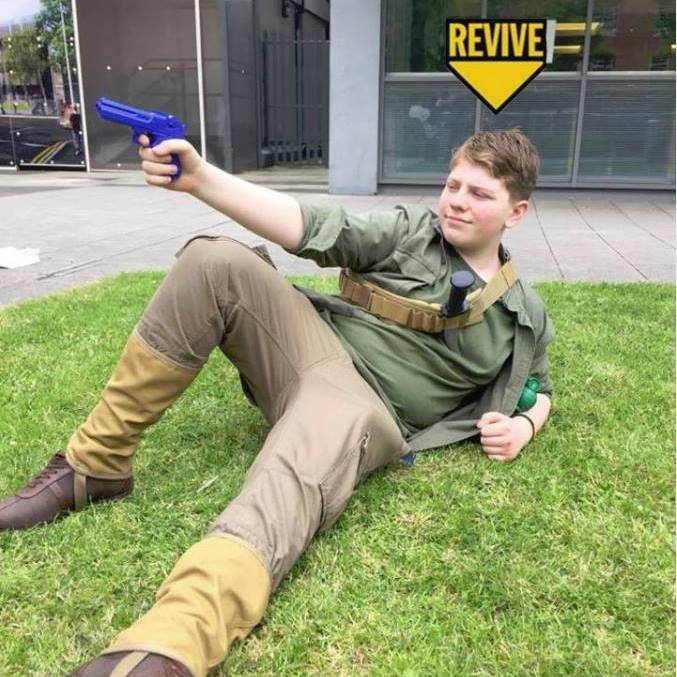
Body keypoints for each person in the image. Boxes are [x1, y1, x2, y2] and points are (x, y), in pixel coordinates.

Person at [0, 129, 554, 677]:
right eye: (453, 185)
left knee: (293, 470)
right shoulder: (411, 232)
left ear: (517, 212)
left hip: (365, 406)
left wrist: (525, 427)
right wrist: (201, 179)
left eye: (479, 194)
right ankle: (94, 465)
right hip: (306, 348)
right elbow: (310, 225)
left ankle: (174, 640)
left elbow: (542, 389)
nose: (457, 201)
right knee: (214, 261)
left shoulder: (523, 315)